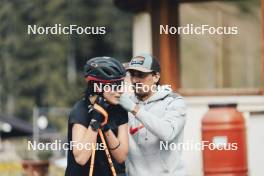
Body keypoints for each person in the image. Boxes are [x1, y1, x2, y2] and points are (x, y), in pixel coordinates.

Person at [118, 54, 187, 176]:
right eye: (132, 74)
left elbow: (168, 133)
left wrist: (135, 109)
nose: (135, 80)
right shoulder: (126, 104)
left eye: (140, 75)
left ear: (156, 77)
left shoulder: (174, 102)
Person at [65, 57, 129, 176]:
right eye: (115, 85)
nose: (120, 90)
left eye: (121, 84)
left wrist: (105, 127)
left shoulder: (120, 110)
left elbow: (121, 157)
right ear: (98, 86)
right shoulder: (80, 110)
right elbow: (81, 158)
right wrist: (95, 122)